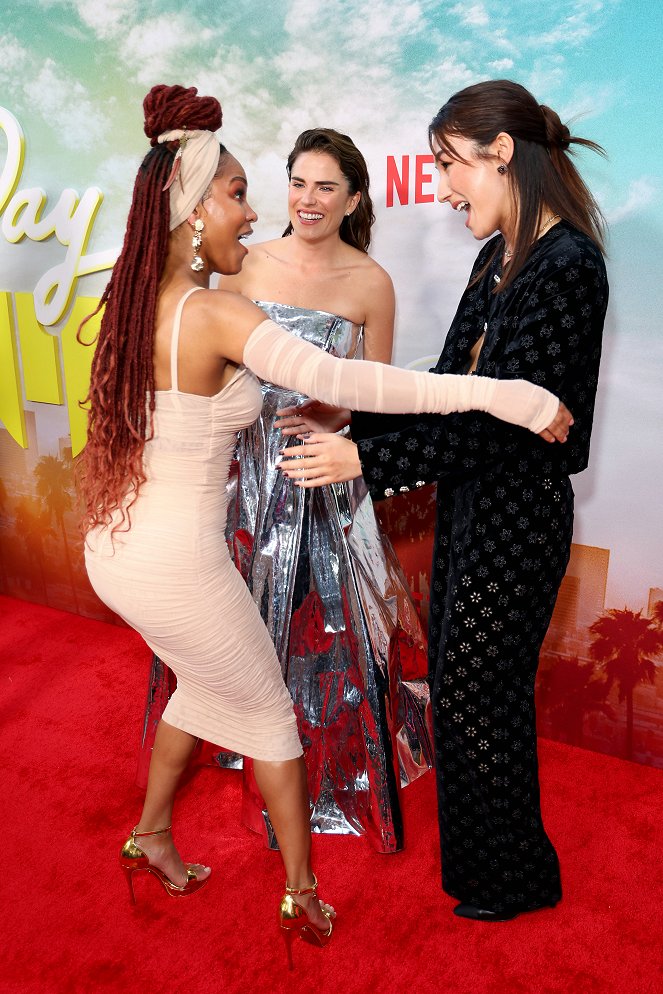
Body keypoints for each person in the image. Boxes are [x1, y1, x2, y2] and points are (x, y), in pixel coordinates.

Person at [77, 82, 572, 953]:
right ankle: (301, 896)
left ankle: (151, 833)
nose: (260, 208)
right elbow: (351, 383)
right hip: (178, 560)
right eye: (237, 194)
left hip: (120, 549)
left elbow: (350, 395)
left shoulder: (137, 295)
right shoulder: (220, 308)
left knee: (199, 686)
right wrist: (509, 393)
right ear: (194, 212)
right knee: (270, 718)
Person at [278, 79, 608, 922]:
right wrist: (358, 420)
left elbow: (508, 427)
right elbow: (450, 391)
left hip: (518, 515)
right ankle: (490, 872)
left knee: (474, 692)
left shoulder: (569, 264)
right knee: (465, 691)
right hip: (470, 503)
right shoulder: (493, 255)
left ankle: (514, 878)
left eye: (448, 164)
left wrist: (361, 460)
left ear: (501, 155)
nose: (439, 185)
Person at [140, 127, 433, 853]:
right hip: (242, 473)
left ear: (353, 199)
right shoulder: (240, 266)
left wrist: (335, 413)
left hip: (319, 474)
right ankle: (244, 749)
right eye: (297, 182)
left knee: (328, 628)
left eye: (325, 186)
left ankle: (334, 774)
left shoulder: (370, 282)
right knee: (238, 623)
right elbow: (197, 357)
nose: (307, 199)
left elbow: (374, 387)